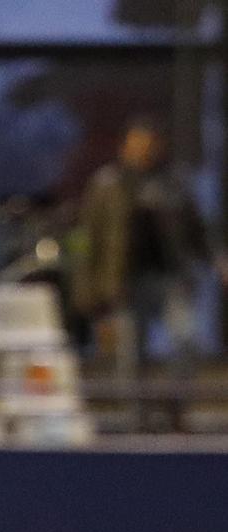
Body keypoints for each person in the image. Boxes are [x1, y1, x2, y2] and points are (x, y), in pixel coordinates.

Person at [76, 117, 225, 378]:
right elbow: (87, 240)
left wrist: (217, 260)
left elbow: (196, 231)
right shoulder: (107, 185)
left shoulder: (174, 183)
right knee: (130, 352)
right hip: (123, 281)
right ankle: (137, 413)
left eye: (148, 145)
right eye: (137, 145)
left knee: (185, 338)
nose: (143, 152)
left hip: (170, 276)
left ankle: (177, 403)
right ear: (125, 147)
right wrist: (87, 290)